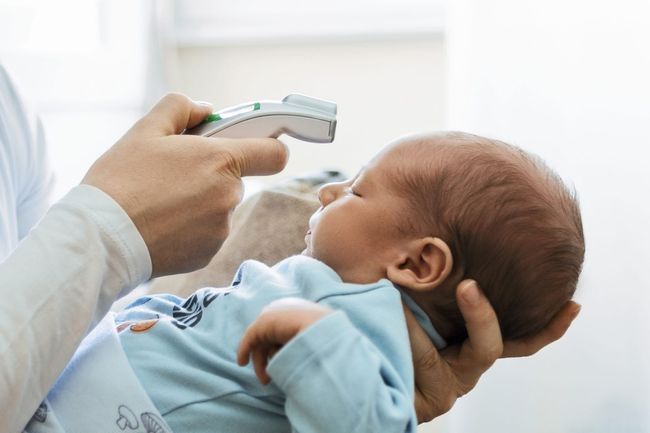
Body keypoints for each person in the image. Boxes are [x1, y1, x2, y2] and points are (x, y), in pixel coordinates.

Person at [24, 132, 583, 433]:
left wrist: (316, 342)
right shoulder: (336, 300)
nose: (328, 192)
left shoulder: (357, 331)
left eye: (358, 189)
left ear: (416, 266)